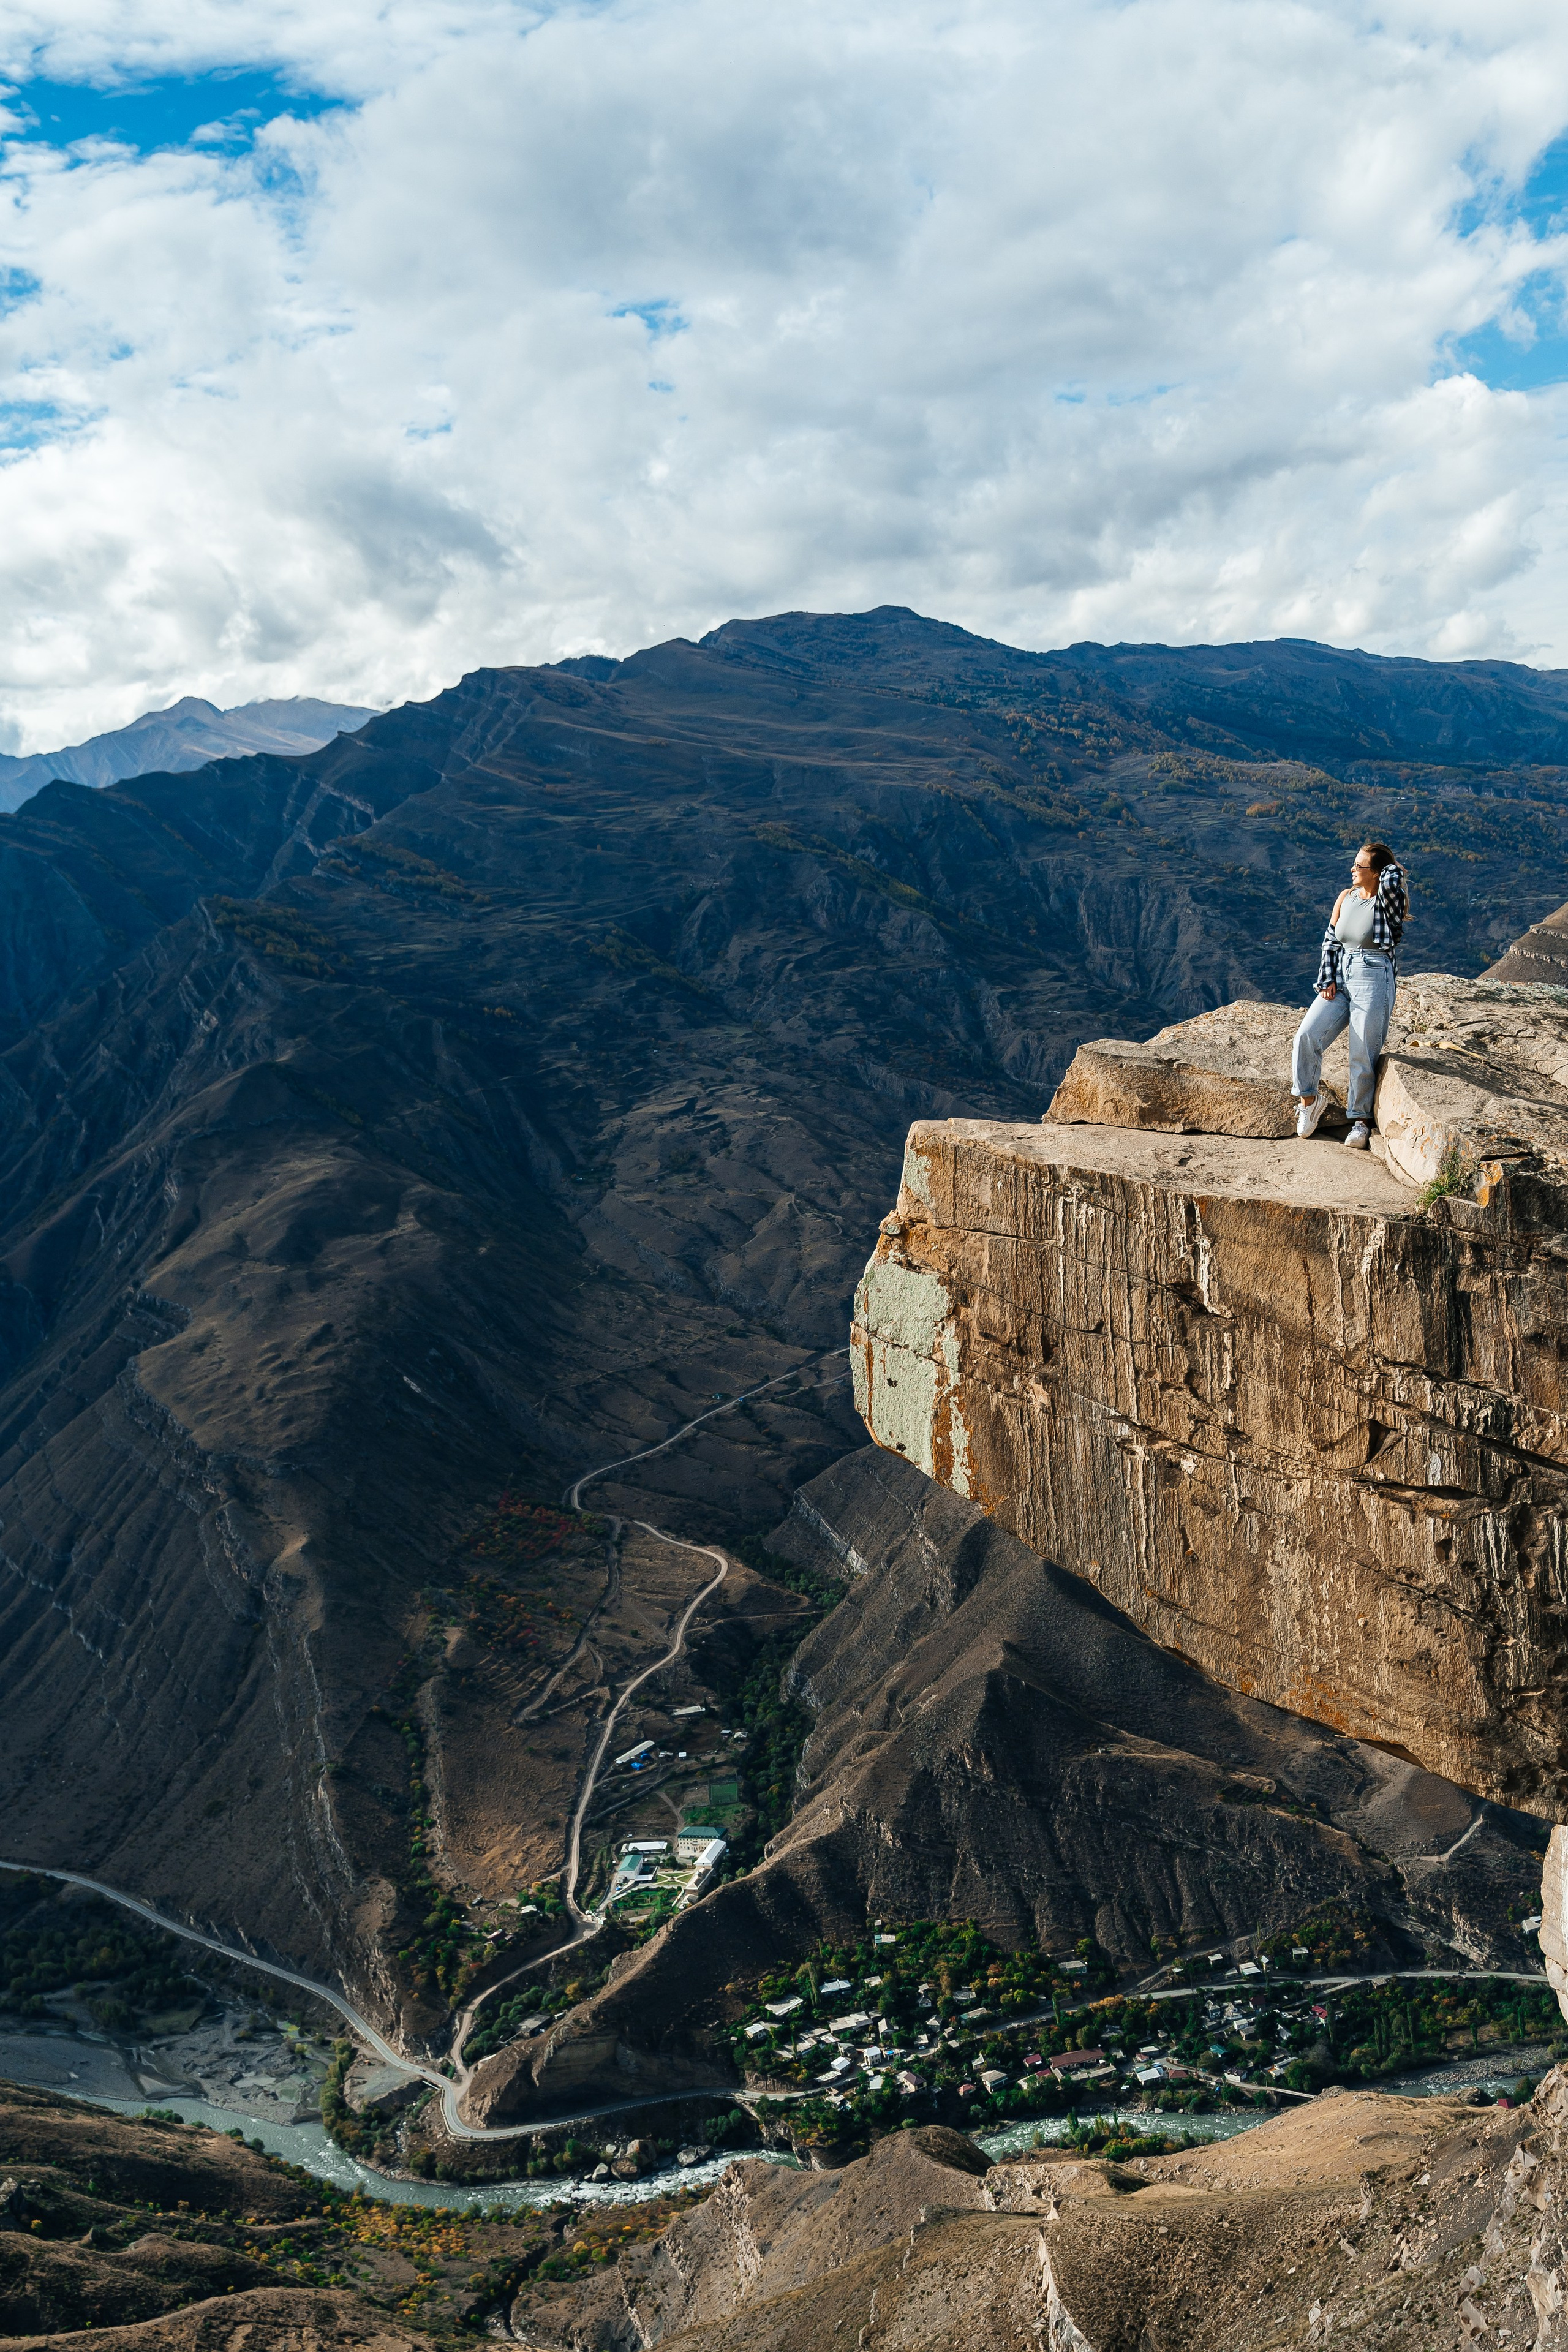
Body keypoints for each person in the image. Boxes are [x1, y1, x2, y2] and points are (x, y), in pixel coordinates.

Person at [1292, 840, 1407, 1149]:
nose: (1352, 870)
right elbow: (1330, 941)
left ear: (1378, 872)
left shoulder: (1388, 901)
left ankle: (1360, 1121)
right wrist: (1327, 977)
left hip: (1374, 975)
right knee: (1306, 1035)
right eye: (1354, 864)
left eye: (1360, 866)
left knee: (1361, 1052)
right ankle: (1308, 1102)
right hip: (1342, 974)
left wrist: (1387, 868)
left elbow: (1394, 876)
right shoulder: (1346, 896)